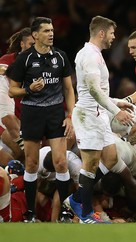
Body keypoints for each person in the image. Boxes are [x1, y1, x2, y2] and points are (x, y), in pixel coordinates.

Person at [6, 17, 75, 223]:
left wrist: (70, 116)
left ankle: (64, 211)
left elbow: (69, 89)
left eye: (52, 30)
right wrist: (29, 89)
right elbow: (12, 91)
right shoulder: (25, 59)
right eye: (46, 31)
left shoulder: (61, 57)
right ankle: (31, 213)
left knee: (61, 163)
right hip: (32, 113)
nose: (51, 34)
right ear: (35, 35)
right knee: (31, 163)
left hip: (55, 113)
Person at [67, 15, 134, 224]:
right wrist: (116, 111)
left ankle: (77, 199)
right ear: (102, 33)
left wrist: (116, 101)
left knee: (111, 158)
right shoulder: (89, 55)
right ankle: (85, 212)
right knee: (91, 164)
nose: (114, 37)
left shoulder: (96, 54)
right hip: (88, 116)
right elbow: (94, 91)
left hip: (98, 114)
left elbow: (96, 90)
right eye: (112, 33)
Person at [0, 28, 34, 162]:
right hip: (7, 121)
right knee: (20, 154)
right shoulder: (7, 61)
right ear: (22, 44)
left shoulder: (42, 67)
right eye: (31, 44)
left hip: (26, 120)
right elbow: (2, 70)